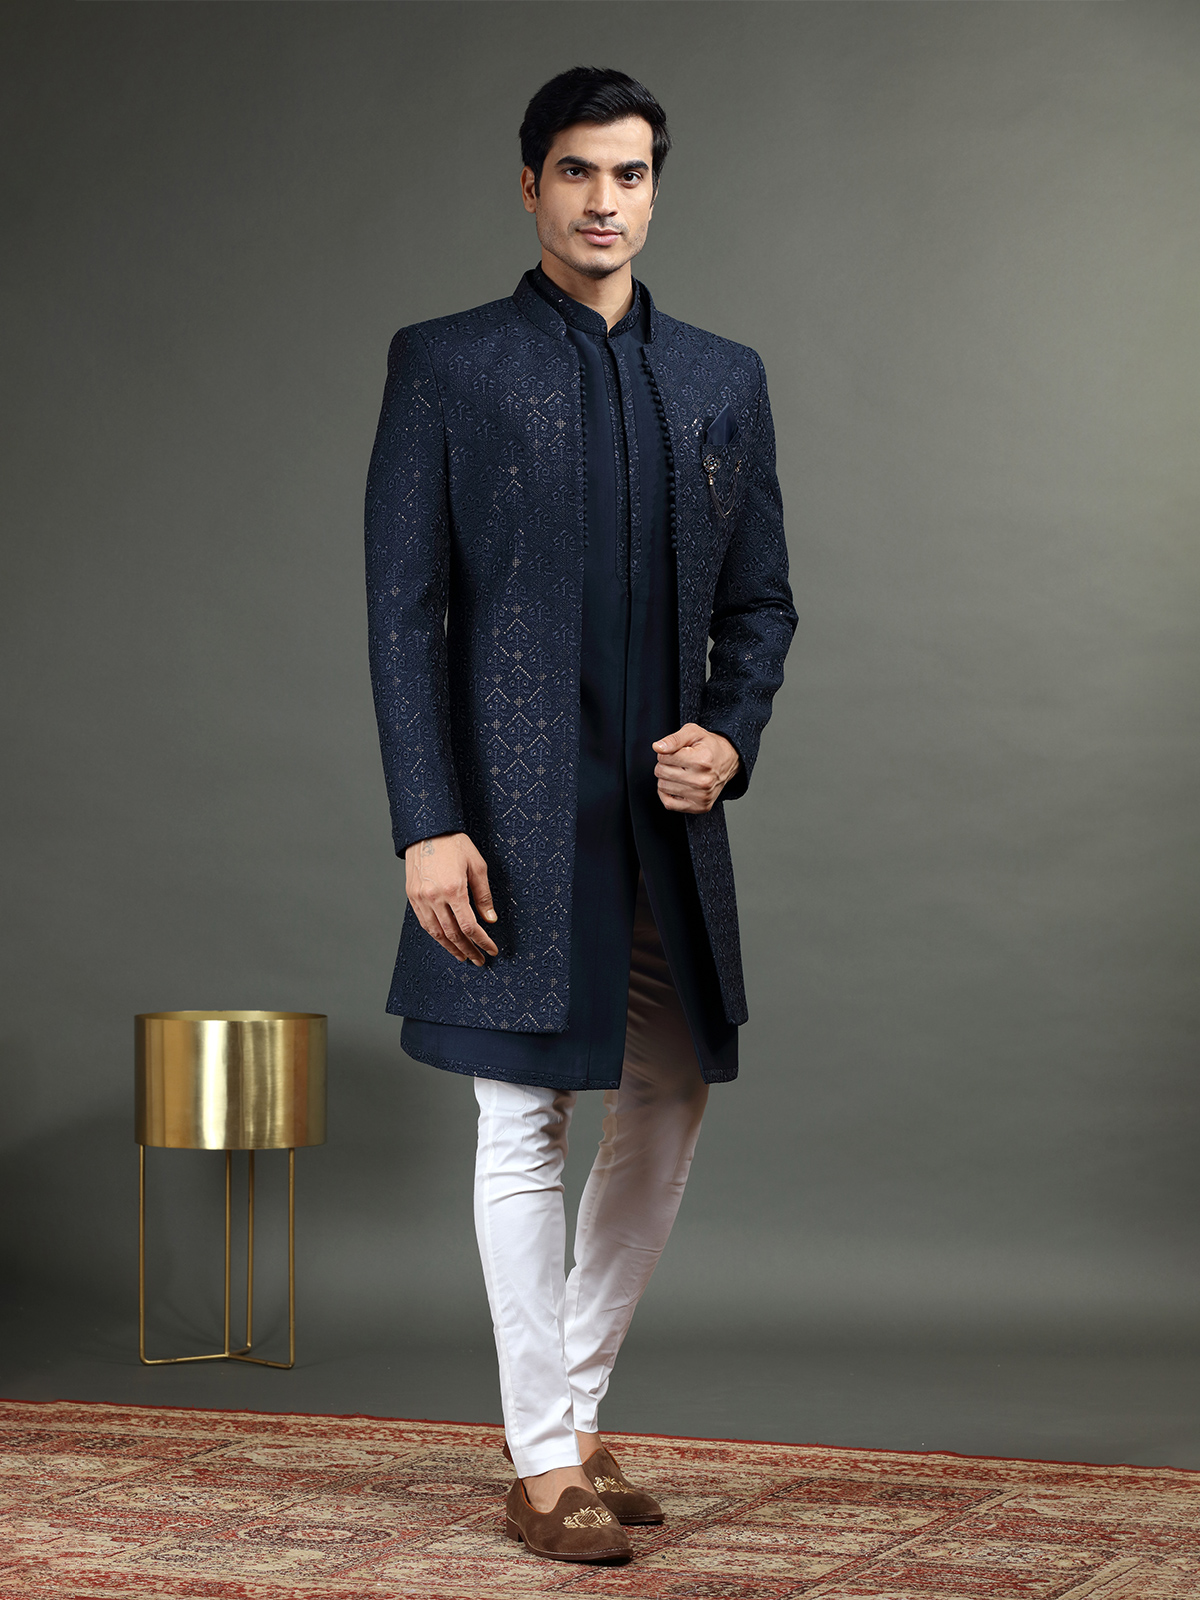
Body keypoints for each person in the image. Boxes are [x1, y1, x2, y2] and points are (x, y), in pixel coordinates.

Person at [365, 65, 796, 1564]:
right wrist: (427, 820)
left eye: (629, 174)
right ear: (530, 186)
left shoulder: (722, 375)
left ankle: (572, 1409)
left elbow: (761, 601)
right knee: (520, 1117)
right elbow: (404, 612)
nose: (604, 200)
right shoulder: (449, 363)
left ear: (655, 190)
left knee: (668, 1094)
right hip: (507, 818)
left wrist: (729, 738)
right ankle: (544, 1460)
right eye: (575, 171)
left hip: (661, 819)